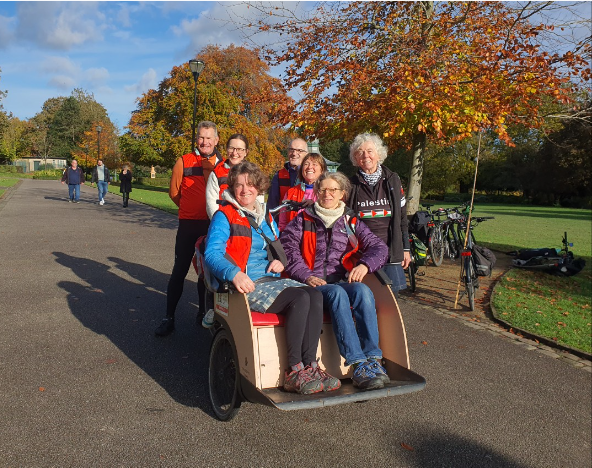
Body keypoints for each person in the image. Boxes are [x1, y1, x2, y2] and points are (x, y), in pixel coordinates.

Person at [205, 161, 340, 394]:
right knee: (299, 298)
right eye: (238, 186)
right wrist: (234, 273)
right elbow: (211, 253)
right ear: (231, 189)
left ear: (258, 188)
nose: (245, 190)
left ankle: (311, 365)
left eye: (250, 185)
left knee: (314, 295)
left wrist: (281, 261)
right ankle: (294, 370)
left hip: (272, 279)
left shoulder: (264, 216)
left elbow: (279, 249)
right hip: (247, 283)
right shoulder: (224, 215)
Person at [280, 171, 390, 390]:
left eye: (333, 190)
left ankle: (372, 360)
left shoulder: (350, 221)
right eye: (322, 190)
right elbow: (288, 250)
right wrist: (306, 275)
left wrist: (364, 265)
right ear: (317, 192)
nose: (327, 194)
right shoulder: (303, 219)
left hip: (340, 279)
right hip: (312, 284)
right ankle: (357, 364)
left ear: (342, 194)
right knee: (338, 294)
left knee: (363, 291)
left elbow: (380, 248)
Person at [154, 121, 223, 337]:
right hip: (188, 224)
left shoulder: (224, 164)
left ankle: (203, 313)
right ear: (197, 139)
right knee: (179, 270)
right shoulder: (183, 161)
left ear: (216, 140)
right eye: (201, 138)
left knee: (207, 273)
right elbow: (174, 193)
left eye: (209, 138)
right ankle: (169, 317)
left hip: (212, 225)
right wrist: (188, 208)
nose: (205, 142)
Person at [347, 133, 411, 296]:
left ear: (378, 154)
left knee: (391, 301)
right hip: (364, 253)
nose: (365, 155)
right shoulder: (351, 185)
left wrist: (405, 248)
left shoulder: (392, 180)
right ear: (355, 158)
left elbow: (402, 218)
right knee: (366, 299)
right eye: (360, 152)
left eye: (369, 151)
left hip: (391, 252)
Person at [277, 152, 327, 232]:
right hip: (293, 240)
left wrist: (314, 206)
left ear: (322, 170)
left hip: (318, 239)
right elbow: (282, 222)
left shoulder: (326, 192)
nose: (310, 167)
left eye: (315, 164)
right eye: (306, 164)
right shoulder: (291, 192)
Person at [205, 133, 249, 220]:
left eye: (239, 149)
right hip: (223, 223)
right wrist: (221, 223)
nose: (234, 153)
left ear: (246, 152)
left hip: (247, 225)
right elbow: (211, 203)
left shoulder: (253, 173)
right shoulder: (216, 173)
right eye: (231, 148)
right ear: (227, 149)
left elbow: (258, 202)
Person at [266, 137, 308, 211]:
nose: (294, 153)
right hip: (283, 218)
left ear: (306, 154)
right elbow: (272, 204)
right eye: (291, 150)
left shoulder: (311, 174)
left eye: (299, 151)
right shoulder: (279, 175)